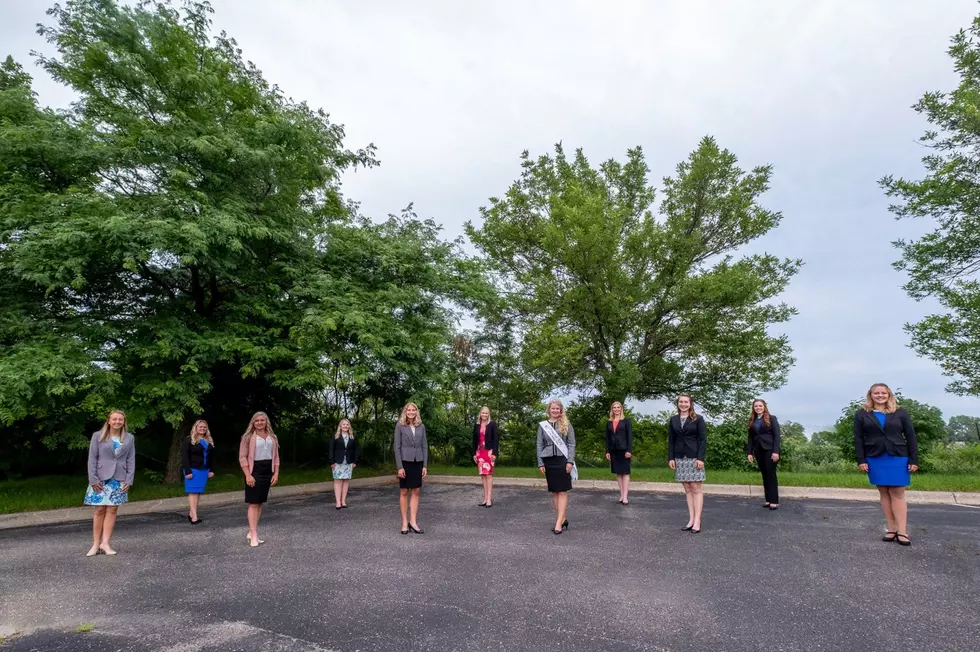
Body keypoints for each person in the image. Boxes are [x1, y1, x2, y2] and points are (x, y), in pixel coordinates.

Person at [853, 383, 919, 546]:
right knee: (883, 492)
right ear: (871, 395)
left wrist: (913, 459)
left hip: (898, 457)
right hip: (875, 457)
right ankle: (891, 529)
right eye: (877, 393)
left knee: (897, 492)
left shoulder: (900, 412)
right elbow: (858, 438)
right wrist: (861, 459)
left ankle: (902, 532)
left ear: (888, 395)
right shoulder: (862, 414)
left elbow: (910, 436)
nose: (880, 395)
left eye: (883, 393)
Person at [84, 410, 136, 556]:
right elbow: (92, 459)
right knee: (99, 510)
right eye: (114, 419)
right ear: (109, 421)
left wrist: (129, 479)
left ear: (124, 422)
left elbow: (131, 459)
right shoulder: (98, 436)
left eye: (120, 419)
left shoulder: (129, 438)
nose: (117, 422)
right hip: (100, 478)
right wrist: (93, 479)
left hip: (119, 478)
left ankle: (105, 543)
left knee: (112, 510)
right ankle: (95, 544)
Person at [239, 411, 280, 547]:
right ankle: (254, 534)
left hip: (268, 470)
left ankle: (252, 531)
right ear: (253, 422)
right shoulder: (247, 437)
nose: (259, 422)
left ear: (266, 421)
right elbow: (242, 457)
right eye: (257, 421)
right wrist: (248, 475)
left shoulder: (272, 437)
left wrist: (276, 473)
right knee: (253, 503)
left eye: (262, 420)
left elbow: (276, 457)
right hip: (254, 470)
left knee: (260, 502)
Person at [668, 395, 706, 533]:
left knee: (696, 488)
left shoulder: (698, 419)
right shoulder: (673, 420)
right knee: (687, 489)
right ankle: (691, 519)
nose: (683, 404)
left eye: (686, 402)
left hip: (694, 457)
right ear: (677, 404)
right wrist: (671, 458)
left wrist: (700, 458)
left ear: (690, 404)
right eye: (681, 402)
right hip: (680, 457)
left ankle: (697, 520)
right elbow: (671, 441)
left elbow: (702, 440)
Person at [537, 399, 576, 535]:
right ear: (549, 409)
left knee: (563, 491)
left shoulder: (566, 424)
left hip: (562, 460)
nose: (555, 411)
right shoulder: (543, 426)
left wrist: (570, 461)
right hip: (549, 461)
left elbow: (571, 444)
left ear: (560, 410)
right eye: (553, 408)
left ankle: (558, 523)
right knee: (554, 491)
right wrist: (540, 462)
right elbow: (539, 445)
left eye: (557, 409)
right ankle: (563, 518)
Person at [394, 402, 428, 535]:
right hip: (405, 462)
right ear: (405, 411)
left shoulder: (421, 426)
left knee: (416, 491)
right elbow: (396, 447)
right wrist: (399, 467)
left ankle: (413, 522)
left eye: (414, 410)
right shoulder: (400, 425)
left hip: (417, 462)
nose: (411, 412)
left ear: (416, 412)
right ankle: (404, 523)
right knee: (403, 491)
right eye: (409, 410)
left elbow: (424, 446)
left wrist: (424, 465)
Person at [746, 399, 781, 510]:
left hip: (770, 450)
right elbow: (750, 438)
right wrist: (750, 452)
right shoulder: (752, 420)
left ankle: (774, 501)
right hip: (758, 450)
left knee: (770, 474)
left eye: (760, 406)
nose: (758, 408)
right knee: (764, 475)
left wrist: (776, 451)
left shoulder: (772, 418)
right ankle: (768, 499)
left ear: (764, 407)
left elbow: (777, 436)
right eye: (756, 406)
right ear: (753, 408)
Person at [181, 419, 215, 525]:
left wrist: (212, 470)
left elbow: (213, 457)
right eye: (200, 427)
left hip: (204, 470)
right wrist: (188, 471)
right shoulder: (188, 440)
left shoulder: (208, 441)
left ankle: (192, 513)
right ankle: (194, 516)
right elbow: (184, 456)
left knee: (198, 492)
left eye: (204, 427)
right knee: (193, 492)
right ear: (195, 428)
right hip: (193, 470)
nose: (202, 429)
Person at [605, 401, 633, 505]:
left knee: (625, 472)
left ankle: (625, 496)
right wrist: (607, 451)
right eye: (614, 408)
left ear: (621, 409)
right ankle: (621, 495)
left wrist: (629, 450)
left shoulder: (626, 421)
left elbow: (630, 436)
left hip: (624, 450)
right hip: (613, 450)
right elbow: (607, 438)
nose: (616, 409)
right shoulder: (609, 422)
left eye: (618, 407)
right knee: (618, 472)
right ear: (612, 410)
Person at [329, 419, 360, 510]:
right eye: (343, 424)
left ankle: (343, 501)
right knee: (338, 481)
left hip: (348, 462)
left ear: (349, 426)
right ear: (340, 426)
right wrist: (331, 461)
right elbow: (331, 449)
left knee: (346, 481)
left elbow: (357, 450)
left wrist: (355, 461)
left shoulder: (352, 437)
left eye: (347, 424)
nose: (345, 426)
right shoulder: (336, 436)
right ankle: (338, 502)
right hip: (337, 462)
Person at [472, 407, 499, 507]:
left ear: (489, 414)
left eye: (486, 413)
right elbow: (474, 441)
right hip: (479, 452)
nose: (484, 415)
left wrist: (494, 453)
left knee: (488, 475)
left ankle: (489, 499)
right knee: (483, 475)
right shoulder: (477, 425)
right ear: (480, 414)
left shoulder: (492, 424)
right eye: (483, 413)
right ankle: (485, 498)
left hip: (489, 452)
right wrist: (474, 453)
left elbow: (496, 439)